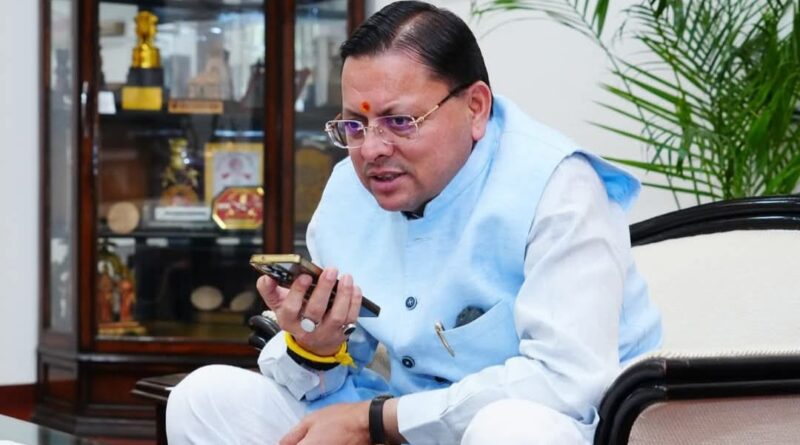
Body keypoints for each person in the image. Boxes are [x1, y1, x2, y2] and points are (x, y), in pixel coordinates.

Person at [165, 2, 662, 444]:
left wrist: (377, 420)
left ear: (475, 108)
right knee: (203, 398)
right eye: (354, 125)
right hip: (386, 423)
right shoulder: (347, 192)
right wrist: (315, 347)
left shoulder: (559, 188)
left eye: (400, 122)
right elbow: (340, 377)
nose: (372, 150)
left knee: (511, 429)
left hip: (538, 428)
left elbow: (564, 383)